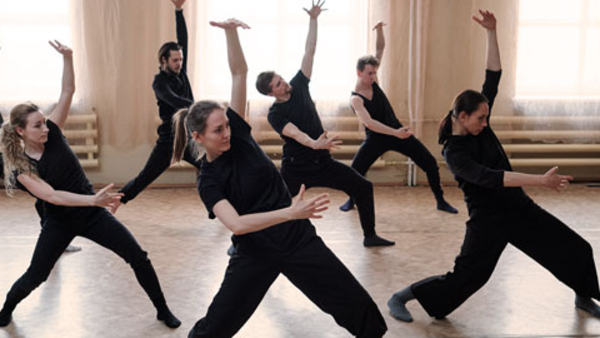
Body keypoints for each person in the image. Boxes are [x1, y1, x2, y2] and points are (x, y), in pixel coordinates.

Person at [172, 17, 387, 338]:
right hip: (255, 253)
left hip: (298, 240)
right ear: (198, 138)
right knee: (214, 329)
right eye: (218, 130)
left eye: (227, 125)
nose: (227, 132)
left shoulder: (240, 137)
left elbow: (238, 73)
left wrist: (231, 34)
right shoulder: (209, 180)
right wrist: (290, 212)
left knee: (358, 307)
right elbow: (238, 225)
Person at [387, 10, 600, 323]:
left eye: (487, 116)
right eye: (480, 118)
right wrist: (540, 181)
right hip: (489, 220)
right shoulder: (454, 152)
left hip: (519, 208)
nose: (486, 123)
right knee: (467, 279)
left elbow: (493, 76)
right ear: (462, 117)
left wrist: (491, 32)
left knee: (575, 248)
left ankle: (583, 296)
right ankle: (402, 296)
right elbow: (490, 177)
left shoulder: (480, 126)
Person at [0, 41, 180, 329]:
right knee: (37, 275)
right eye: (37, 126)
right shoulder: (22, 167)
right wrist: (93, 200)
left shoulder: (54, 133)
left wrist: (69, 58)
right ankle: (6, 308)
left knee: (138, 257)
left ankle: (162, 309)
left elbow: (67, 92)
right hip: (60, 221)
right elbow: (52, 196)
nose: (45, 128)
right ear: (21, 131)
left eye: (45, 122)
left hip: (92, 213)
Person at [256, 0, 394, 247]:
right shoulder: (275, 114)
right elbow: (296, 134)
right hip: (296, 168)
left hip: (323, 163)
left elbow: (309, 51)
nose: (284, 83)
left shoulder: (298, 86)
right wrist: (315, 143)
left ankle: (370, 236)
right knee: (275, 206)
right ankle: (246, 241)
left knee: (363, 187)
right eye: (277, 84)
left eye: (281, 79)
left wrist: (313, 20)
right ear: (270, 93)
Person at [339, 21, 457, 214]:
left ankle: (440, 200)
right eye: (369, 74)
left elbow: (380, 48)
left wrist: (379, 30)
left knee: (430, 163)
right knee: (356, 170)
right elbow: (370, 123)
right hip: (377, 137)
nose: (373, 76)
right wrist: (395, 132)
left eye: (375, 73)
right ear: (359, 73)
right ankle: (351, 200)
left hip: (397, 132)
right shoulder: (356, 99)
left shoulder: (373, 81)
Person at [117, 0, 201, 207]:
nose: (179, 63)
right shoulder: (160, 82)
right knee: (143, 179)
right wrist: (197, 107)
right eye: (175, 60)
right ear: (164, 60)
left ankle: (215, 205)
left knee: (211, 165)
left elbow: (184, 39)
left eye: (181, 60)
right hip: (170, 142)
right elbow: (175, 100)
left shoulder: (182, 72)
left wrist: (179, 11)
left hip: (188, 138)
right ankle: (112, 203)